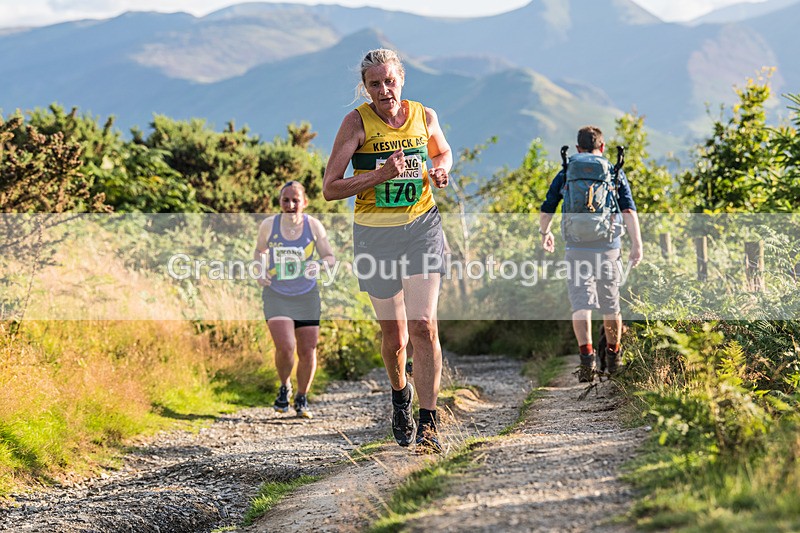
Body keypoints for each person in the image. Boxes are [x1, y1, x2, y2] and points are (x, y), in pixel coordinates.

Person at [322, 48, 452, 452]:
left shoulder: (423, 115)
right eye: (374, 84)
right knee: (394, 337)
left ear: (401, 81)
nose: (384, 90)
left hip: (422, 226)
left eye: (390, 81)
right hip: (375, 235)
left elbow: (442, 150)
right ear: (365, 87)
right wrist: (380, 175)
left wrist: (442, 168)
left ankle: (429, 423)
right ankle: (401, 396)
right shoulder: (355, 123)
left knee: (423, 325)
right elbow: (330, 188)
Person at [539, 126, 643, 382]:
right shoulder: (613, 172)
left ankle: (587, 360)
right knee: (611, 304)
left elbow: (548, 206)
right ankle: (614, 358)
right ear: (603, 147)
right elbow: (629, 211)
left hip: (576, 246)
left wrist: (546, 233)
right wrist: (636, 244)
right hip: (608, 246)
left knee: (581, 303)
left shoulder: (567, 171)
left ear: (577, 148)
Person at [254, 181, 335, 418]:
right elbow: (260, 251)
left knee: (308, 349)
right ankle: (284, 386)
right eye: (285, 200)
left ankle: (302, 396)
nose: (290, 205)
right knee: (286, 346)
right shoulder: (269, 225)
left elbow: (330, 257)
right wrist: (260, 270)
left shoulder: (314, 226)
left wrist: (318, 265)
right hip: (277, 293)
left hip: (307, 295)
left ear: (304, 202)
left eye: (295, 200)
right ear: (280, 202)